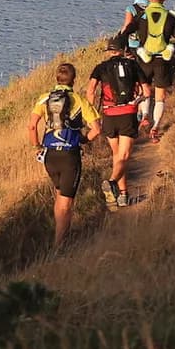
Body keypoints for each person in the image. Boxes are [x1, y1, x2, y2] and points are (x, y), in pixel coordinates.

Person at [26, 62, 102, 249]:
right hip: (70, 156)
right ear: (73, 80)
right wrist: (84, 140)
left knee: (60, 195)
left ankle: (58, 236)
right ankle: (59, 246)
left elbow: (32, 126)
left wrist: (37, 146)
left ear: (56, 79)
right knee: (66, 204)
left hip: (50, 156)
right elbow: (97, 129)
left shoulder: (44, 99)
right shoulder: (79, 100)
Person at [89, 36, 145, 207]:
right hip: (127, 114)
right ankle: (113, 182)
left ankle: (123, 195)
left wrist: (92, 114)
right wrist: (138, 103)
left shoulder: (100, 68)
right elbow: (147, 91)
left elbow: (90, 91)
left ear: (109, 51)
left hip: (108, 115)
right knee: (124, 155)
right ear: (123, 49)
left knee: (116, 155)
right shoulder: (133, 65)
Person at [134, 0, 175, 138]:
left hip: (144, 59)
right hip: (162, 60)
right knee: (160, 96)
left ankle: (144, 117)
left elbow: (129, 35)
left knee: (145, 90)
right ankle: (155, 126)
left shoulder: (141, 16)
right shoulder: (169, 17)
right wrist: (171, 47)